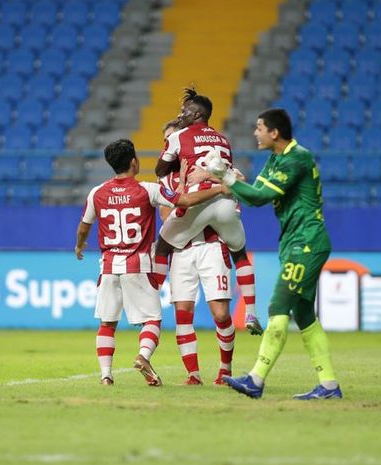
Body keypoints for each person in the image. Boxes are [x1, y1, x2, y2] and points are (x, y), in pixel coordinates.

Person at [196, 108, 342, 400]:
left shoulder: (296, 157)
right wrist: (225, 177)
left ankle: (256, 379)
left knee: (277, 307)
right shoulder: (277, 159)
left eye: (259, 127)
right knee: (303, 315)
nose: (255, 133)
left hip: (306, 242)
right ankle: (328, 385)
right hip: (295, 242)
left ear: (274, 132)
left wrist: (225, 175)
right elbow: (253, 196)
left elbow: (262, 196)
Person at [75, 138, 223, 387]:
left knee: (107, 323)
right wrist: (219, 189)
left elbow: (84, 227)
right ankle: (143, 356)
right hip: (138, 265)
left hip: (109, 267)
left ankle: (106, 376)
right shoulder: (148, 190)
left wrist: (79, 245)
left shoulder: (96, 193)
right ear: (134, 161)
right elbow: (184, 202)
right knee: (152, 320)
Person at [153, 87, 263, 337]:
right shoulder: (223, 139)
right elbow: (230, 173)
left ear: (195, 114)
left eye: (184, 112)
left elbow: (160, 170)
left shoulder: (178, 137)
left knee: (162, 245)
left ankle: (151, 304)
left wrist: (178, 164)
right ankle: (252, 312)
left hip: (199, 202)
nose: (180, 115)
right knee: (240, 252)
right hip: (226, 201)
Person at [159, 120, 235, 386]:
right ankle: (193, 375)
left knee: (221, 314)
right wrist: (181, 186)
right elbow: (169, 219)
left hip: (213, 245)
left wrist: (211, 180)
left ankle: (225, 369)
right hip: (183, 252)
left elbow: (238, 181)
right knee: (183, 312)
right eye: (166, 141)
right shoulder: (165, 180)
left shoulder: (210, 166)